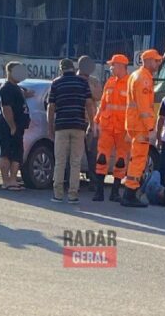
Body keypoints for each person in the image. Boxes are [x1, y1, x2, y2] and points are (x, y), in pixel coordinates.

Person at [48, 59, 96, 204]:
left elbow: (51, 107)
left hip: (61, 126)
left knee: (60, 161)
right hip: (78, 126)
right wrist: (92, 124)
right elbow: (89, 104)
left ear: (61, 69)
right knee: (76, 162)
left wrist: (51, 127)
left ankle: (58, 194)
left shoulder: (56, 83)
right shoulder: (82, 83)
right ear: (73, 68)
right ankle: (73, 194)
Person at [121, 49, 162, 208]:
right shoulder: (144, 79)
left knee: (136, 159)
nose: (158, 64)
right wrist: (151, 128)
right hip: (140, 126)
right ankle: (129, 195)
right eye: (156, 61)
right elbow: (144, 107)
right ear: (148, 61)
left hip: (134, 124)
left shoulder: (136, 75)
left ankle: (129, 193)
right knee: (138, 160)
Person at [92, 54, 130, 202]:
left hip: (123, 128)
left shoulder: (130, 84)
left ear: (121, 66)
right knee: (101, 158)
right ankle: (99, 191)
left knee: (121, 160)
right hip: (107, 127)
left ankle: (115, 192)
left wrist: (130, 129)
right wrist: (96, 122)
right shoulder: (110, 82)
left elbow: (133, 109)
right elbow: (102, 105)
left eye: (113, 65)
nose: (111, 67)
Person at [0, 62, 31, 191]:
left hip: (17, 125)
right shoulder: (7, 88)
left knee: (16, 154)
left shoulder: (15, 88)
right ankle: (7, 181)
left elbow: (20, 95)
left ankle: (12, 180)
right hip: (9, 125)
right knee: (7, 154)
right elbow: (6, 108)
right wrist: (12, 126)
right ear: (9, 72)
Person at [77, 55, 102, 191]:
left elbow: (98, 96)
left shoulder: (94, 81)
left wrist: (86, 84)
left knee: (92, 154)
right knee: (75, 153)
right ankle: (73, 181)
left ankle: (94, 182)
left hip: (91, 122)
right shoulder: (73, 80)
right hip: (77, 121)